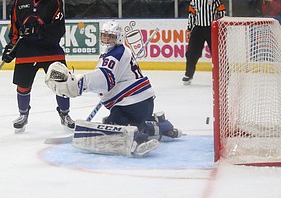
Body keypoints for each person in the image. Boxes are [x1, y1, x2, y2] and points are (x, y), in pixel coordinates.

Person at [45, 20, 182, 157]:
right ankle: (162, 126)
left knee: (116, 127)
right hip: (137, 103)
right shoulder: (115, 52)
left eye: (111, 36)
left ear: (119, 37)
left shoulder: (116, 53)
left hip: (133, 104)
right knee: (115, 123)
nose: (107, 39)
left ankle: (137, 140)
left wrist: (79, 84)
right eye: (104, 35)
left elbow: (105, 79)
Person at [1, 0, 74, 133]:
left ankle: (65, 114)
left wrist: (38, 31)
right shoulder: (20, 3)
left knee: (61, 83)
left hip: (51, 51)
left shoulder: (56, 3)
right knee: (23, 85)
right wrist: (11, 48)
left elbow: (58, 29)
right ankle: (23, 114)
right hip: (26, 51)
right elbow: (14, 29)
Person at [182, 0, 226, 85]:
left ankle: (223, 74)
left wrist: (220, 26)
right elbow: (192, 14)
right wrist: (189, 29)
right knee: (191, 53)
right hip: (198, 29)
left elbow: (222, 12)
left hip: (212, 28)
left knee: (218, 53)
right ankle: (188, 74)